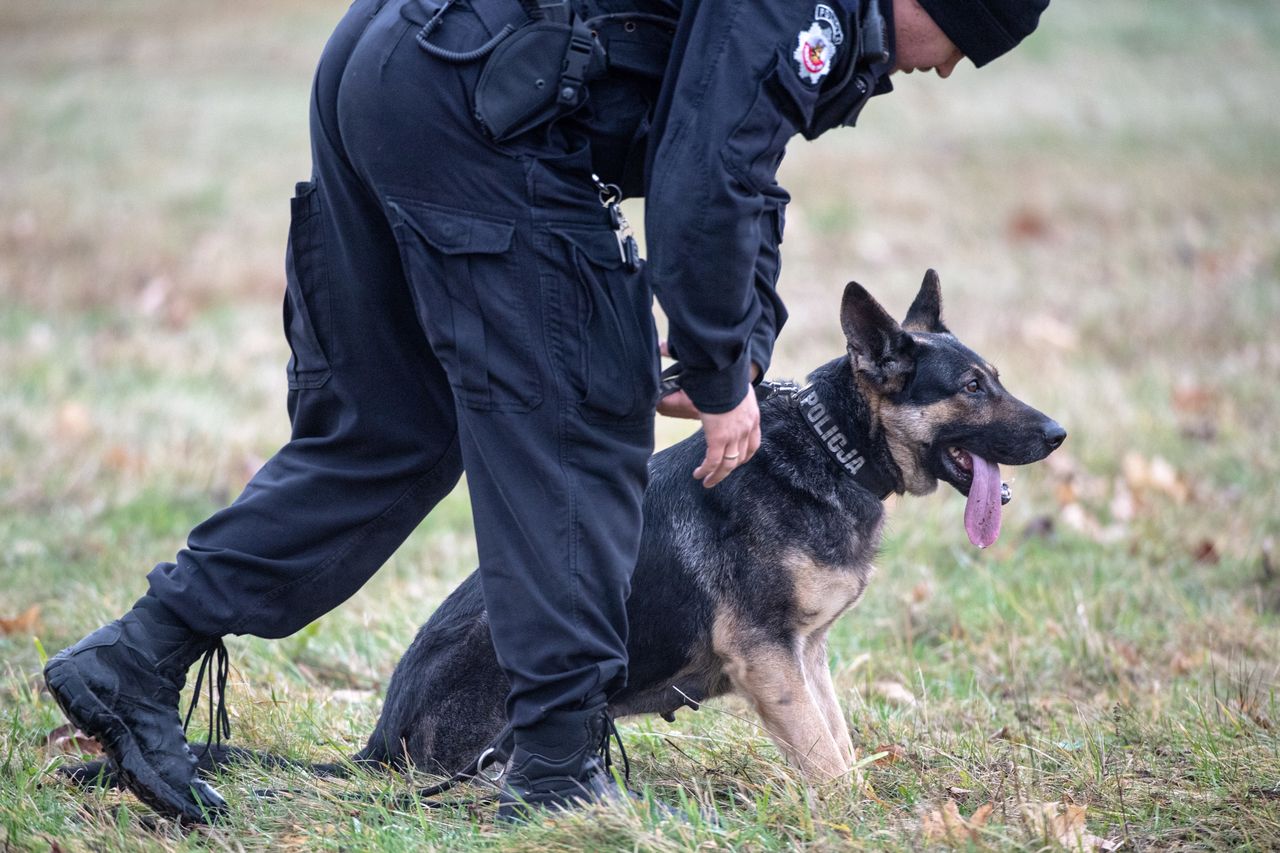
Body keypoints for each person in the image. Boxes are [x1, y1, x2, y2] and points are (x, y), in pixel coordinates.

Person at [44, 0, 1049, 823]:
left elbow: (744, 170)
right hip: (485, 99)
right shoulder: (810, 10)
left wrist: (731, 345)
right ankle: (559, 775)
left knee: (389, 439)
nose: (949, 69)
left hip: (396, 57)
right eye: (967, 42)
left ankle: (137, 657)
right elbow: (708, 172)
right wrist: (719, 376)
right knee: (578, 415)